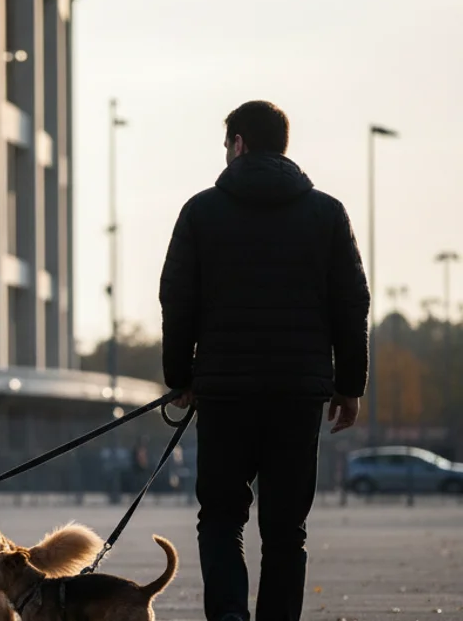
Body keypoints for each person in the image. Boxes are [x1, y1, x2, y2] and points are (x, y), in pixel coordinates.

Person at [158, 101, 369, 621]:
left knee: (223, 519)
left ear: (239, 144)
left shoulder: (201, 211)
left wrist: (179, 378)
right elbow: (352, 303)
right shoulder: (327, 213)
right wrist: (350, 384)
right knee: (285, 530)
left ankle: (229, 616)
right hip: (298, 394)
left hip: (225, 393)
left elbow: (176, 300)